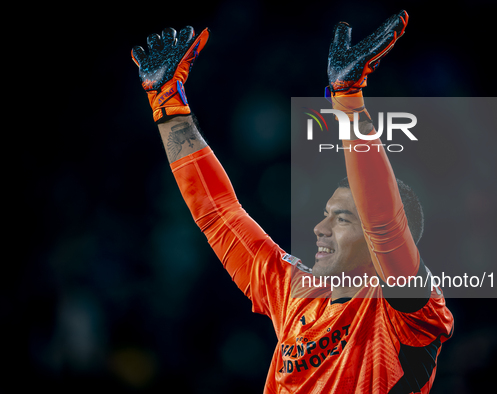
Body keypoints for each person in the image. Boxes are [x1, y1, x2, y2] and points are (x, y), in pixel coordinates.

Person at [131, 10, 453, 393]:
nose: (320, 229)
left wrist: (349, 102)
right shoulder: (295, 293)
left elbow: (383, 224)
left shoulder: (405, 313)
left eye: (343, 219)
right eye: (326, 215)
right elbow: (219, 214)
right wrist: (167, 107)